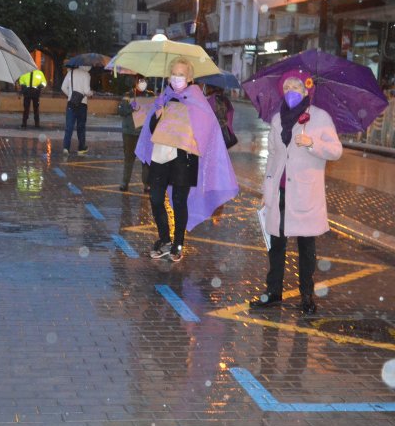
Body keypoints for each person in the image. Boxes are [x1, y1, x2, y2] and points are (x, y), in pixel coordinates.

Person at [249, 69, 342, 314]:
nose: (292, 92)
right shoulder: (278, 119)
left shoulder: (320, 117)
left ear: (307, 90)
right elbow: (273, 155)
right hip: (279, 190)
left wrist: (313, 144)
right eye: (287, 87)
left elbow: (336, 151)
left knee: (306, 248)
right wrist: (266, 188)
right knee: (276, 245)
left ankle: (307, 296)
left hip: (304, 193)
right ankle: (273, 292)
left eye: (297, 87)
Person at [135, 57, 238, 262]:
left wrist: (188, 124)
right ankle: (164, 239)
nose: (177, 77)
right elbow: (152, 130)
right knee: (155, 198)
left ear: (189, 77)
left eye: (181, 74)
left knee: (180, 202)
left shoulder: (196, 99)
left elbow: (207, 129)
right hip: (161, 156)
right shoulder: (164, 96)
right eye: (173, 73)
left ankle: (178, 244)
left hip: (184, 158)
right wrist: (157, 116)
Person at [117, 75, 151, 192]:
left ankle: (147, 184)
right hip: (129, 132)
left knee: (145, 160)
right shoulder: (128, 96)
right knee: (129, 158)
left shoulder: (149, 95)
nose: (143, 83)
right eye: (140, 81)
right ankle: (124, 183)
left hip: (144, 133)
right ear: (135, 82)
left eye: (145, 81)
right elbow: (121, 111)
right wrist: (130, 107)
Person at [61, 65, 93, 155]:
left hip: (71, 103)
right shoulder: (86, 74)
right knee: (81, 127)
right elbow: (86, 91)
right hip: (82, 104)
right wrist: (91, 93)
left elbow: (63, 87)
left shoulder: (70, 73)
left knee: (69, 126)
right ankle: (81, 148)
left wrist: (71, 96)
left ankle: (66, 147)